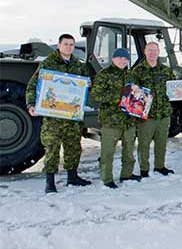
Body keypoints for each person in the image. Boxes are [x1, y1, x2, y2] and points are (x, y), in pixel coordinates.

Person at [25, 33, 91, 193]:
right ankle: (50, 182)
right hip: (53, 116)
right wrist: (30, 104)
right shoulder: (48, 63)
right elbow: (33, 85)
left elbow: (85, 84)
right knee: (52, 149)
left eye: (71, 45)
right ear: (59, 45)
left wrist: (87, 84)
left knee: (73, 147)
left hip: (71, 116)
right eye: (66, 44)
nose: (69, 47)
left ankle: (72, 176)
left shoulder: (78, 65)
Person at [91, 48, 141, 188]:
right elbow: (96, 95)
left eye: (125, 59)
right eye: (119, 58)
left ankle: (127, 174)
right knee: (108, 152)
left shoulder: (131, 75)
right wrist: (119, 96)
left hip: (129, 120)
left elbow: (135, 95)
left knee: (129, 150)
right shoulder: (104, 74)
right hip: (111, 120)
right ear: (113, 59)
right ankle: (107, 178)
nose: (123, 61)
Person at [131, 42, 176, 177]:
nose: (152, 53)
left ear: (158, 52)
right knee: (144, 144)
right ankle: (144, 170)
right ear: (145, 52)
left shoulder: (166, 70)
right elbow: (132, 93)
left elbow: (173, 89)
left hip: (163, 114)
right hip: (146, 116)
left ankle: (159, 166)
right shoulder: (137, 71)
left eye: (155, 50)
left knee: (161, 143)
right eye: (149, 50)